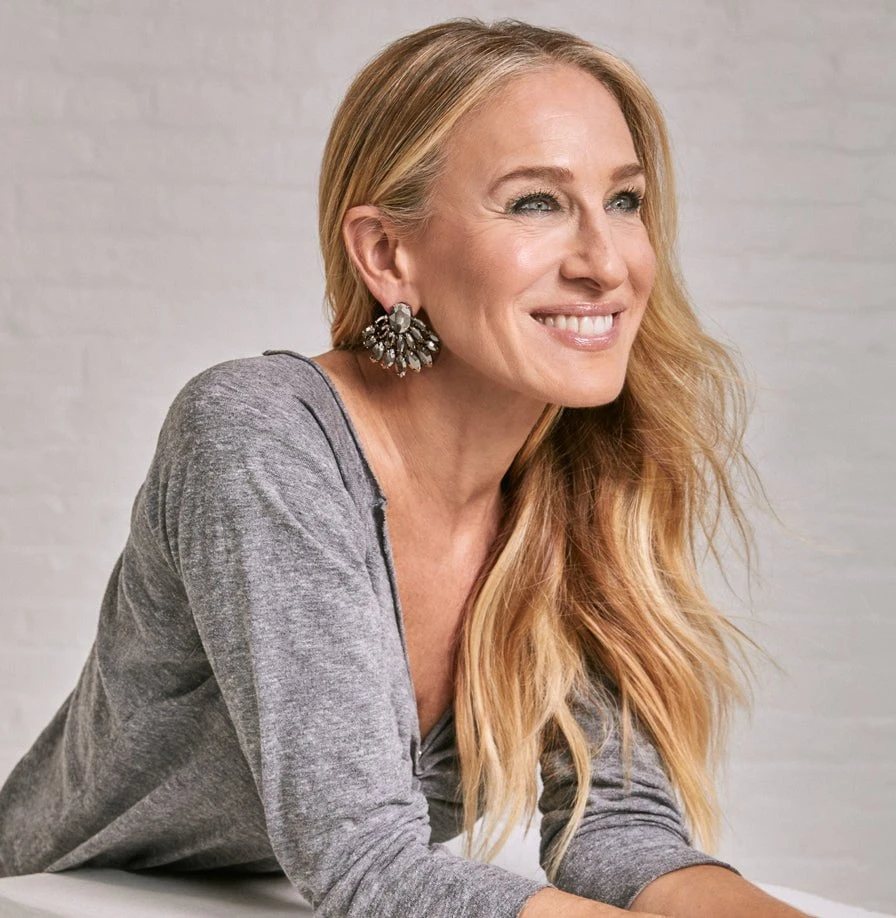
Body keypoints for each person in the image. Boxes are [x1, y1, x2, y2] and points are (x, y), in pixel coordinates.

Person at [0, 19, 808, 918]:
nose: (607, 262)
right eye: (535, 203)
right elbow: (368, 867)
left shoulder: (578, 478)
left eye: (624, 200)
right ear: (389, 254)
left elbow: (620, 830)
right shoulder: (261, 435)